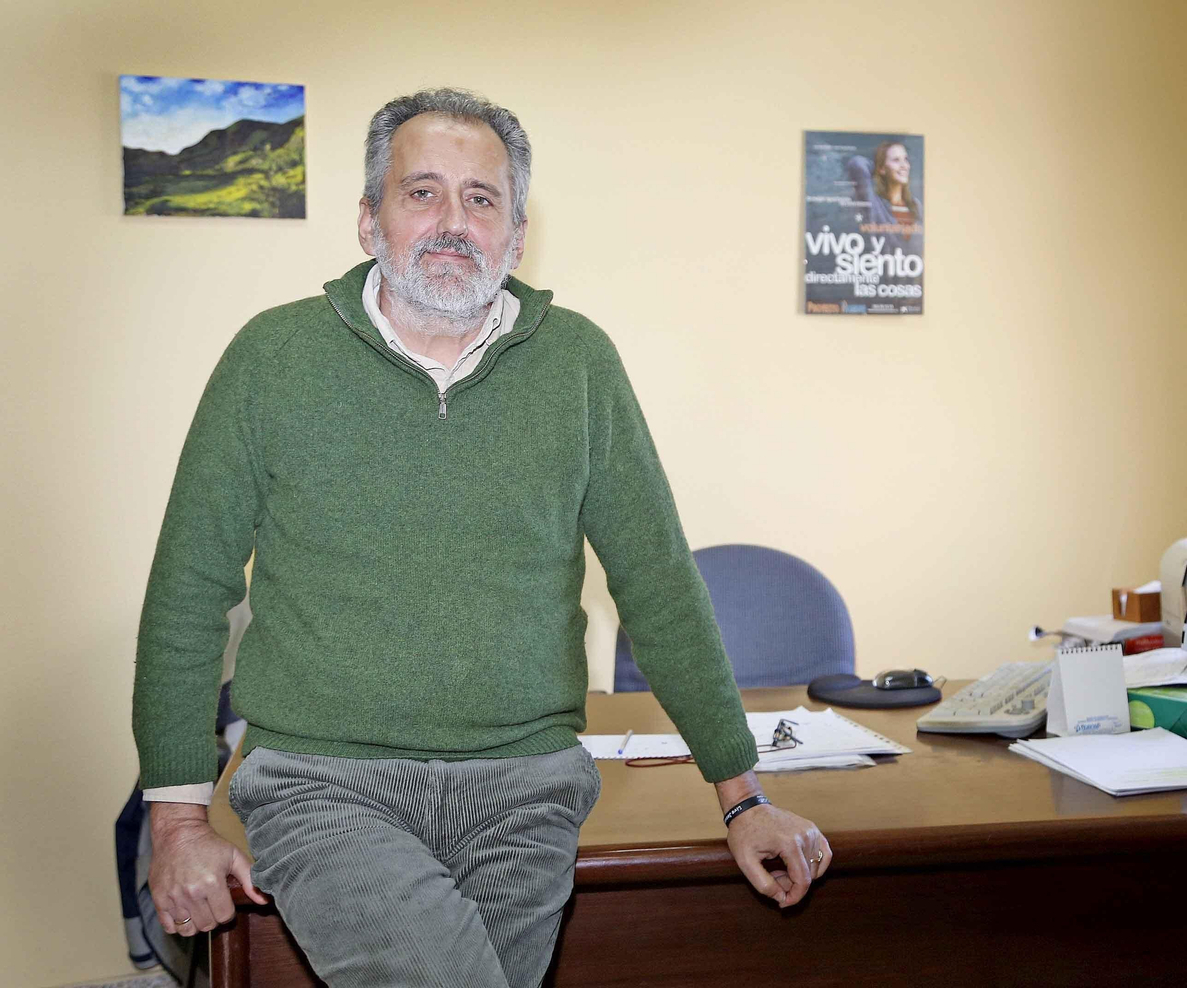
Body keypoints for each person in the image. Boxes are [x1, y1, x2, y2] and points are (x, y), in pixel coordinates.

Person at [132, 88, 831, 987]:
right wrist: (180, 821)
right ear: (367, 219)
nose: (453, 222)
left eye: (481, 198)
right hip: (322, 784)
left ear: (517, 233)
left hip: (525, 792)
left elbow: (657, 584)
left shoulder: (579, 363)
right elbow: (188, 592)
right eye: (421, 192)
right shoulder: (271, 358)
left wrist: (744, 799)